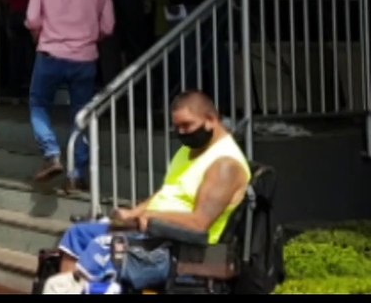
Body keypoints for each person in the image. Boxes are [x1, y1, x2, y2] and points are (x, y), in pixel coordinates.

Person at [46, 91, 250, 292]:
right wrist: (132, 213)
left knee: (101, 248)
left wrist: (152, 215)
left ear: (210, 119)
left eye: (187, 125)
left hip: (180, 248)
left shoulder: (225, 165)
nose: (181, 133)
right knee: (79, 235)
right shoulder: (189, 151)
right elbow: (167, 192)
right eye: (176, 127)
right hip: (153, 231)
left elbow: (199, 224)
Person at [26, 0, 115, 187]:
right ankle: (77, 173)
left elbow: (33, 19)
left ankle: (52, 154)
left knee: (38, 103)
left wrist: (41, 35)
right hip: (85, 58)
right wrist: (87, 38)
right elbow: (108, 26)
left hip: (50, 55)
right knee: (81, 113)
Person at [0, 0, 38, 99]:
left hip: (13, 14)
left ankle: (14, 87)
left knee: (14, 53)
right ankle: (31, 85)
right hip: (30, 15)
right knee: (30, 52)